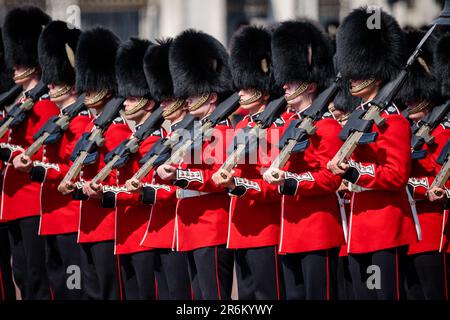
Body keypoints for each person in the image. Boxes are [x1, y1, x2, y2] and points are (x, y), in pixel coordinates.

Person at [328, 7, 417, 300]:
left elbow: (396, 176)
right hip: (357, 227)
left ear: (376, 74)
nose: (351, 79)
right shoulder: (358, 116)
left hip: (384, 228)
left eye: (359, 71)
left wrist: (353, 172)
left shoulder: (394, 120)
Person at [263, 20, 344, 300]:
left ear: (309, 86)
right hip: (290, 233)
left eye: (293, 81)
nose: (284, 85)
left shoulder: (328, 126)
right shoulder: (287, 124)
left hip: (317, 232)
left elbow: (330, 177)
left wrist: (292, 181)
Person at [82, 37, 165, 300]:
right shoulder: (132, 138)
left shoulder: (154, 141)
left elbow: (148, 192)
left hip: (144, 235)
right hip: (125, 235)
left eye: (131, 98)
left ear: (148, 102)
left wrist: (106, 195)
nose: (125, 103)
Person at [156, 29, 235, 300]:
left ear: (211, 96)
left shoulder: (222, 132)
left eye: (192, 94)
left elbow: (217, 179)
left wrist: (180, 175)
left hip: (212, 226)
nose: (186, 100)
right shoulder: (195, 131)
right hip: (190, 226)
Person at [12, 20, 87, 300]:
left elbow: (73, 169)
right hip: (52, 218)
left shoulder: (80, 123)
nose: (52, 85)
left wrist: (36, 169)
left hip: (70, 219)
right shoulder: (59, 119)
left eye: (58, 80)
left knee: (72, 288)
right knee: (57, 286)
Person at [211, 25, 284, 300]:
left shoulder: (276, 127)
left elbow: (271, 182)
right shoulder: (242, 126)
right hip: (241, 230)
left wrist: (237, 183)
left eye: (248, 86)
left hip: (266, 230)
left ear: (264, 90)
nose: (239, 92)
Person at [58, 27, 130, 300]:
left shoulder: (118, 129)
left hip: (107, 227)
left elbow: (120, 177)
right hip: (86, 226)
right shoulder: (87, 126)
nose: (87, 92)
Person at [126, 38, 192, 300]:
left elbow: (185, 184)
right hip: (160, 231)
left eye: (167, 100)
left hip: (180, 229)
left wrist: (147, 192)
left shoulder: (193, 135)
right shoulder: (165, 135)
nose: (162, 104)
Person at [0, 6, 57, 300]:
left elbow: (45, 152)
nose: (14, 67)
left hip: (34, 201)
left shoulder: (45, 103)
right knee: (21, 272)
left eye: (20, 61)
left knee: (38, 277)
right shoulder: (17, 101)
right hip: (13, 202)